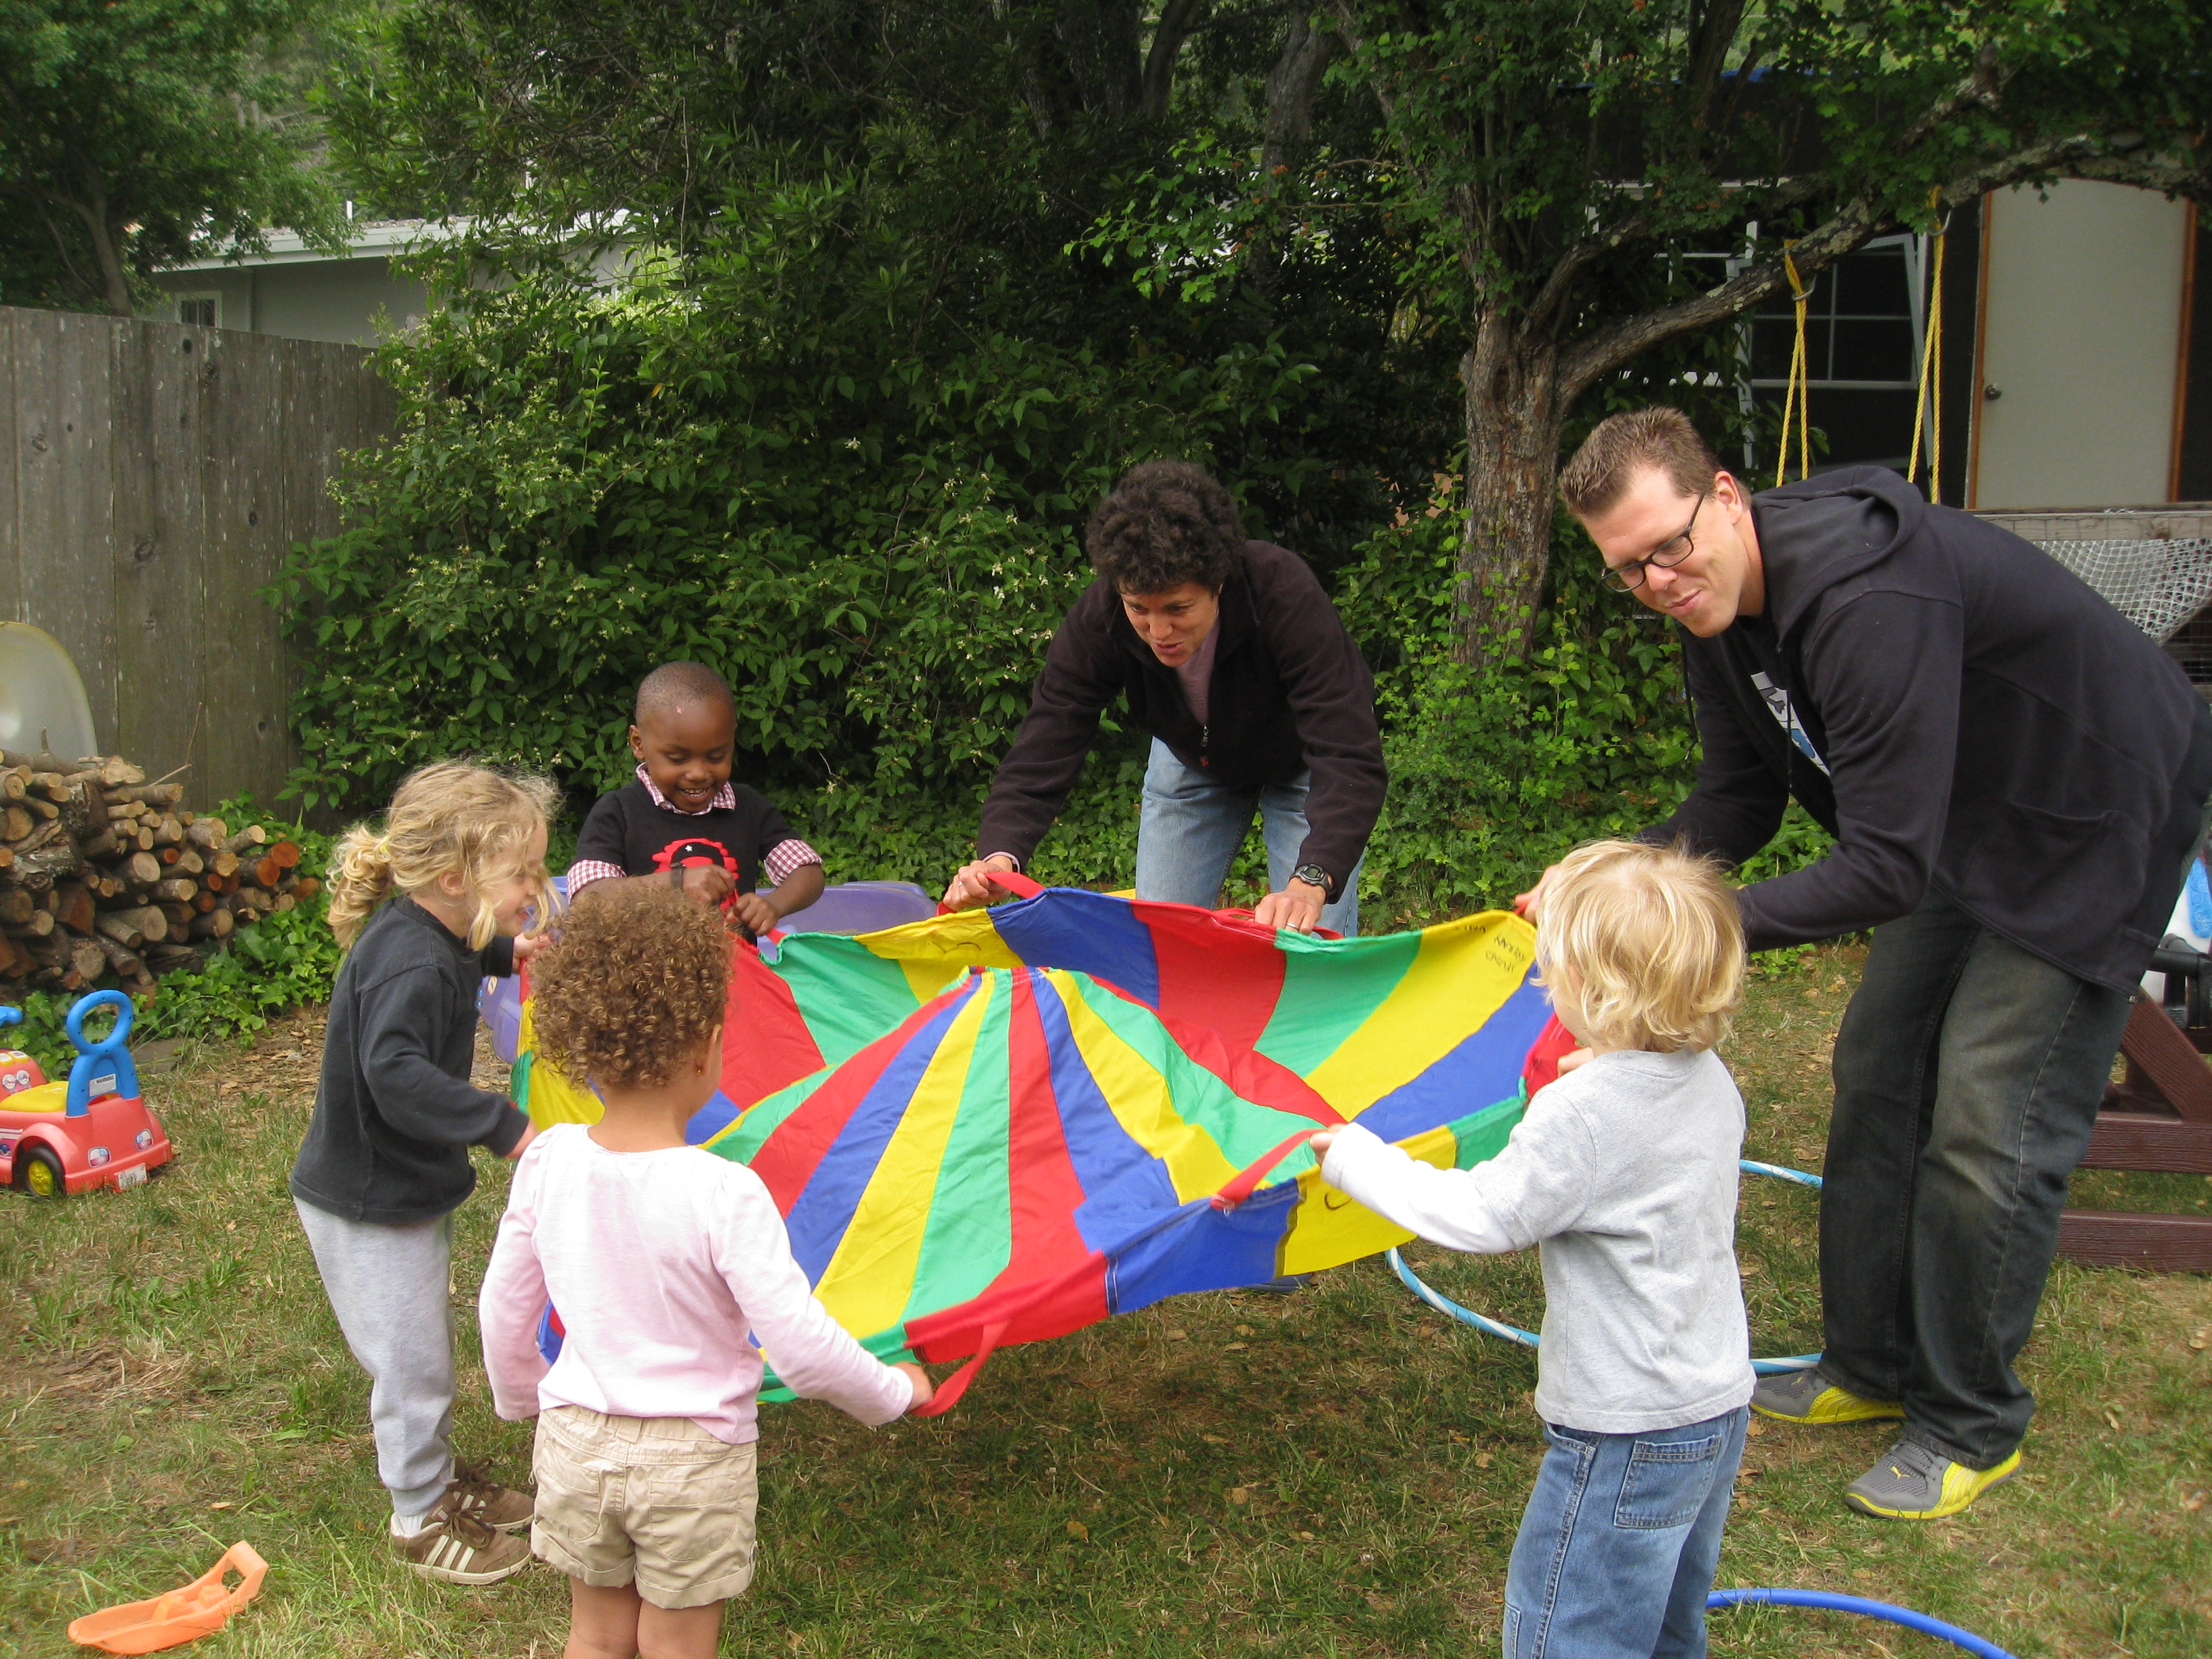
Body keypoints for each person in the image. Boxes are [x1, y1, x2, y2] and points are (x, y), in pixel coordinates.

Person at [1528, 406, 2212, 1521]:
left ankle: (1967, 1421)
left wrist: (1679, 927)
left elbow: (1884, 867)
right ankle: (1869, 1363)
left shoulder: (1863, 596)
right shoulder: (1710, 609)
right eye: (1628, 568)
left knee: (1985, 1110)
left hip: (2090, 806)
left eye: (1669, 545)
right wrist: (1610, 879)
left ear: (1726, 497)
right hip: (1956, 814)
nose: (1657, 580)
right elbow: (1735, 801)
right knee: (1879, 1065)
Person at [1316, 839, 1752, 1659]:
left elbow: (1485, 1216)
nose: (1545, 985)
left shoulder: (1582, 1115)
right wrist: (1608, 1065)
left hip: (1625, 1431)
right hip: (1714, 1405)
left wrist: (1358, 1161)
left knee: (1571, 1632)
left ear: (1587, 988)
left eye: (1552, 972)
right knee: (1664, 1623)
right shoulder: (1709, 1078)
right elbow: (1638, 1124)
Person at [479, 882, 932, 1659]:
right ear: (707, 1048)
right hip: (691, 1463)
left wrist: (524, 1396)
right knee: (676, 1646)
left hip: (574, 1444)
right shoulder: (725, 1192)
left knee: (595, 1636)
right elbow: (801, 1349)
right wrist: (894, 1392)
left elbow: (502, 1310)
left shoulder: (546, 1160)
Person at [289, 760, 559, 1584]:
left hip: (399, 1186)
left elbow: (464, 951)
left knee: (422, 1349)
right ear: (455, 878)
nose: (536, 886)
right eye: (522, 873)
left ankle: (437, 1478)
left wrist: (509, 952)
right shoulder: (411, 961)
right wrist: (501, 1125)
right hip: (369, 1200)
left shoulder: (434, 932)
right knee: (412, 1365)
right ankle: (417, 1515)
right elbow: (396, 1075)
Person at [942, 460, 1386, 935]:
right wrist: (1000, 855)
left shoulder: (1283, 593)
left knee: (1311, 941)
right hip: (1192, 759)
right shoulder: (1102, 616)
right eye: (1139, 608)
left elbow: (1347, 752)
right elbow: (1049, 737)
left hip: (1303, 762)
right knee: (1161, 940)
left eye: (1178, 608)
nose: (1158, 631)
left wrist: (1312, 879)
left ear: (1218, 584)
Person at [567, 661, 826, 935]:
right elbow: (588, 898)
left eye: (716, 757)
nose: (698, 774)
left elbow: (808, 873)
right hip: (643, 963)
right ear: (638, 743)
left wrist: (774, 905)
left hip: (735, 962)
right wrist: (674, 883)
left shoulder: (749, 808)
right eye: (677, 759)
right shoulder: (618, 812)